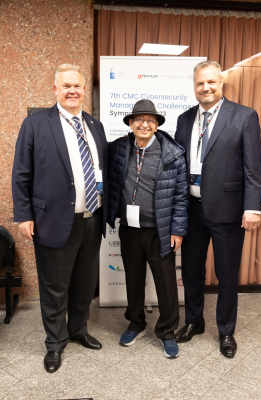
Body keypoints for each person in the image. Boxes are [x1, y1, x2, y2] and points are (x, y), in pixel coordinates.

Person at [12, 64, 108, 373]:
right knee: (54, 286)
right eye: (66, 86)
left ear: (83, 90)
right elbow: (21, 173)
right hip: (52, 219)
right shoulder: (37, 124)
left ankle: (78, 331)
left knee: (84, 282)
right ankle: (55, 344)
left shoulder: (95, 125)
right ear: (55, 89)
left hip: (92, 217)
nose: (72, 91)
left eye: (77, 86)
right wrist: (24, 215)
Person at [174, 60, 261, 358]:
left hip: (228, 210)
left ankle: (226, 330)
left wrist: (252, 208)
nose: (206, 88)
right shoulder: (185, 119)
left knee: (226, 275)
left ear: (221, 84)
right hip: (191, 209)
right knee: (191, 271)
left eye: (211, 82)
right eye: (200, 83)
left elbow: (253, 169)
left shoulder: (244, 116)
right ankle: (194, 321)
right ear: (194, 86)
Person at [108, 99, 188, 358]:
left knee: (166, 283)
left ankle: (166, 331)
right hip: (130, 228)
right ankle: (136, 322)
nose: (144, 124)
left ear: (157, 125)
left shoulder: (172, 153)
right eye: (139, 120)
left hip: (160, 229)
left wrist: (178, 229)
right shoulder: (119, 148)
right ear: (130, 124)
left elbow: (180, 196)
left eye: (150, 120)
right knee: (132, 278)